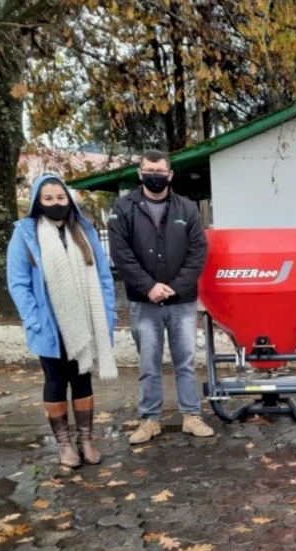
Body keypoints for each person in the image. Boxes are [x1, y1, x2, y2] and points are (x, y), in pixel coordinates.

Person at [7, 174, 118, 468]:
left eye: (60, 198)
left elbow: (104, 276)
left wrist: (108, 314)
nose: (55, 203)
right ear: (37, 202)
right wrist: (33, 320)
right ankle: (65, 446)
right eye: (48, 199)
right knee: (56, 382)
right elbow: (18, 283)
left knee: (83, 379)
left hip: (85, 318)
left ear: (68, 199)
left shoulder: (84, 229)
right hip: (49, 324)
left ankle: (86, 441)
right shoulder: (26, 234)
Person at [108, 149, 213, 443]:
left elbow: (198, 253)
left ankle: (191, 416)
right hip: (144, 301)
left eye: (160, 172)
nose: (155, 176)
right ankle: (149, 420)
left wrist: (176, 286)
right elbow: (121, 254)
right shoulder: (124, 207)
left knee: (185, 361)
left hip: (182, 301)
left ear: (170, 175)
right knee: (149, 363)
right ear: (140, 173)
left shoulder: (187, 209)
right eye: (149, 171)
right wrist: (149, 286)